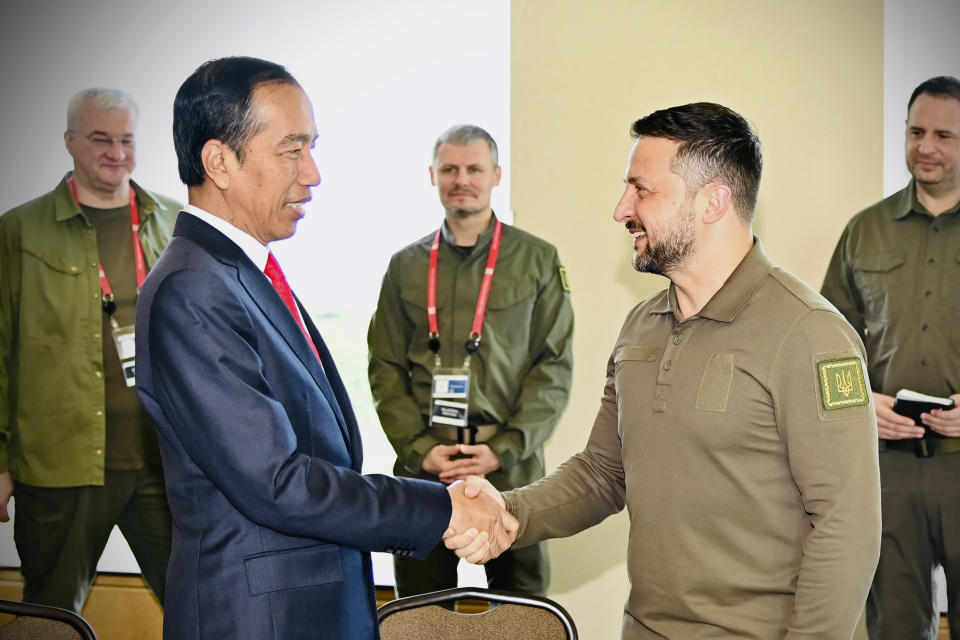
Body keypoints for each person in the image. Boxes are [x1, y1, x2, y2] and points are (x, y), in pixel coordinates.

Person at [446, 102, 882, 639]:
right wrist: (509, 512)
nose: (620, 209)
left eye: (641, 189)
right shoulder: (642, 324)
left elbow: (846, 524)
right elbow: (605, 472)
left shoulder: (811, 333)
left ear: (712, 202)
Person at [135, 56, 515, 640]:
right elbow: (276, 481)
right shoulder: (193, 288)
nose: (312, 173)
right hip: (257, 619)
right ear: (219, 162)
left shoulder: (240, 273)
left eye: (311, 148)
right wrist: (442, 509)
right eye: (292, 150)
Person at [367, 124, 574, 596]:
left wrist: (504, 449)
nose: (462, 179)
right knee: (420, 611)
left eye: (475, 168)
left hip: (510, 470)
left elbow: (553, 366)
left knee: (523, 611)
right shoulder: (405, 265)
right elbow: (385, 366)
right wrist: (421, 449)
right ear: (433, 175)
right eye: (450, 169)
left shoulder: (537, 260)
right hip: (426, 471)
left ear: (497, 175)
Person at [0, 88, 178, 613]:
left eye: (126, 139)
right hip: (58, 466)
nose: (116, 153)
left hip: (164, 463)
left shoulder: (174, 222)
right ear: (70, 141)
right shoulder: (19, 232)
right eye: (101, 139)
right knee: (49, 615)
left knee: (200, 605)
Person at [821, 75, 960, 640]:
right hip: (887, 468)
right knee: (896, 625)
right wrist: (859, 401)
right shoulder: (864, 230)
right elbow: (825, 347)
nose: (926, 146)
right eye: (916, 131)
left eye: (944, 135)